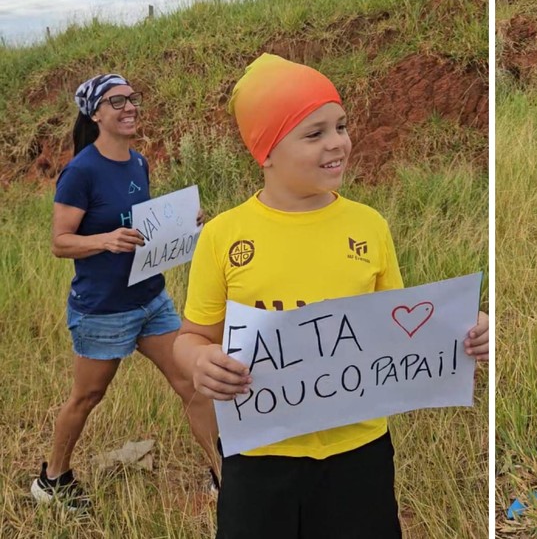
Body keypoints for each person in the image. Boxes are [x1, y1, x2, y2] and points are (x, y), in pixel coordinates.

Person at [172, 53, 490, 538]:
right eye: (314, 133)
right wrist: (200, 361)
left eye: (340, 126)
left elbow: (401, 325)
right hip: (260, 456)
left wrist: (463, 329)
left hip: (358, 450)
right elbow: (191, 337)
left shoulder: (368, 225)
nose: (337, 143)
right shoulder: (222, 237)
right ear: (267, 150)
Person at [32, 74, 219, 511]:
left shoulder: (137, 162)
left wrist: (185, 227)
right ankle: (52, 478)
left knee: (193, 383)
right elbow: (60, 242)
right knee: (87, 397)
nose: (129, 106)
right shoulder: (80, 172)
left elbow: (142, 229)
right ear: (96, 113)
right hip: (103, 310)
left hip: (151, 300)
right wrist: (105, 240)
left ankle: (225, 477)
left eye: (132, 98)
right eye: (117, 101)